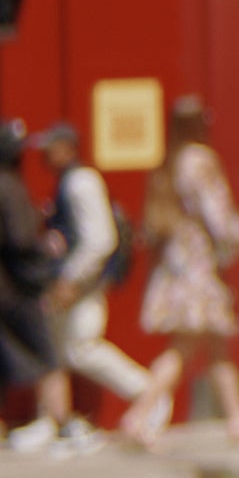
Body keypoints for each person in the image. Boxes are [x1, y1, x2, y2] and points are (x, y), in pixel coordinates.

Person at [135, 96, 239, 438]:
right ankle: (138, 415)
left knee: (216, 347)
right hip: (198, 264)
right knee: (184, 348)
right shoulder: (201, 161)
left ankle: (238, 418)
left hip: (178, 262)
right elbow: (221, 215)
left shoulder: (170, 161)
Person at [31, 121, 164, 439]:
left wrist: (70, 279)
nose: (44, 157)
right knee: (59, 348)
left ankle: (150, 395)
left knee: (80, 348)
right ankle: (53, 419)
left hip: (83, 283)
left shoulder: (80, 183)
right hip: (78, 281)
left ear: (67, 148)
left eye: (50, 148)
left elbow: (100, 239)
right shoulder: (69, 182)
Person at [0, 122, 67, 435]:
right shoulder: (7, 186)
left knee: (9, 351)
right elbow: (18, 238)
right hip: (14, 285)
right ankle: (58, 421)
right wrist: (46, 248)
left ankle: (46, 419)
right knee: (45, 352)